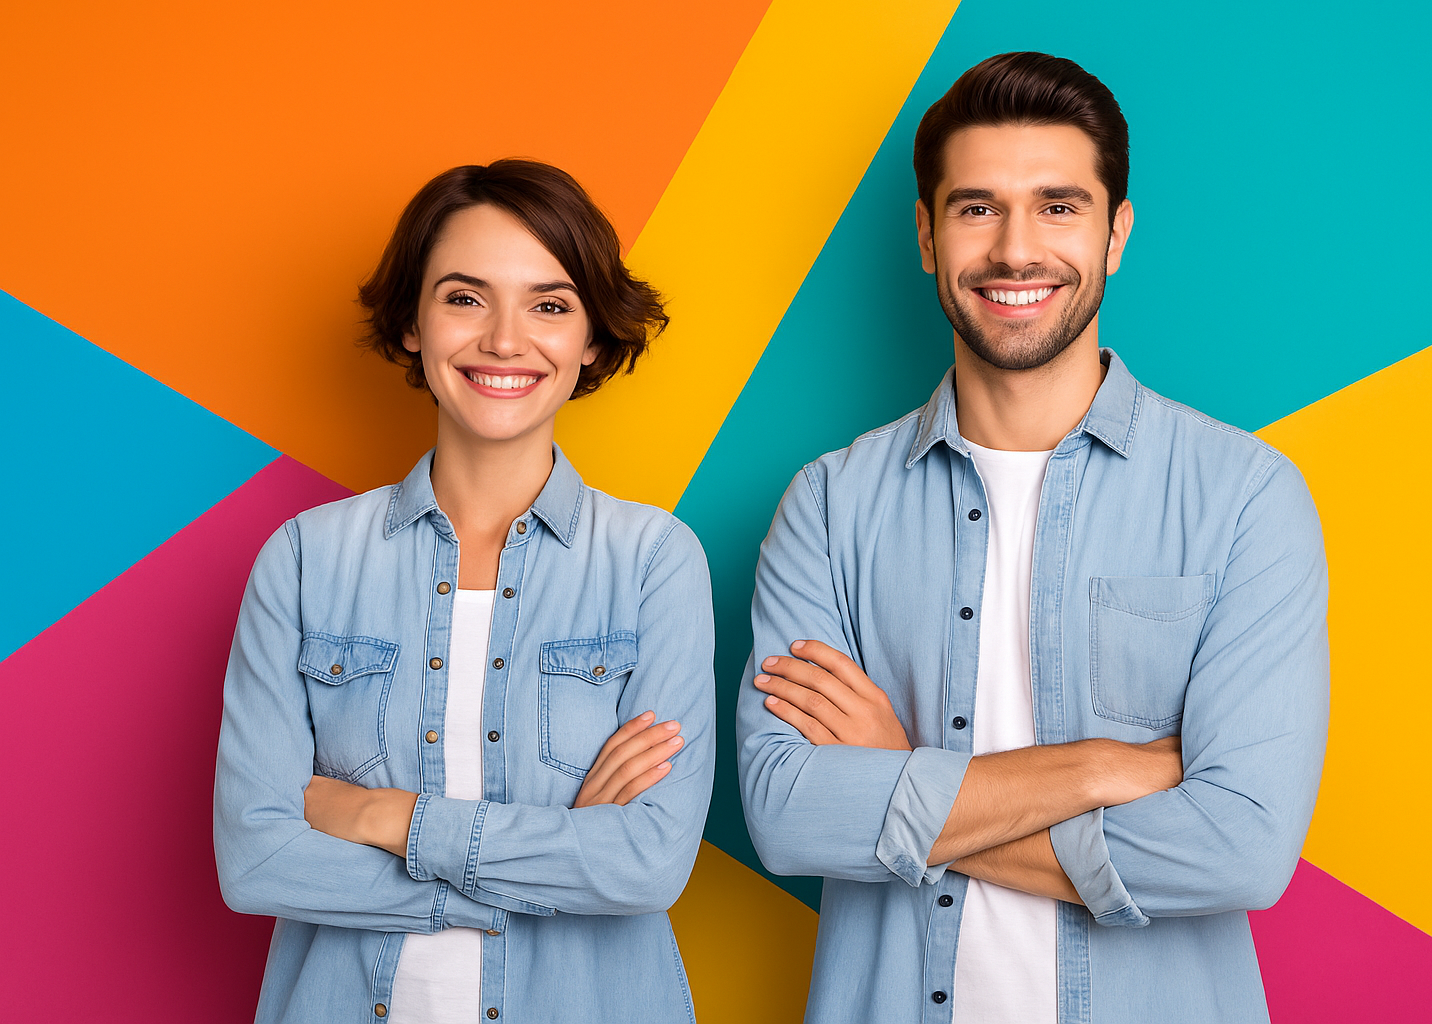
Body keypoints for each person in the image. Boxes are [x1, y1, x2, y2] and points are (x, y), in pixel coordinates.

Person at [737, 52, 1328, 1024]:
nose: (1017, 250)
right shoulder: (830, 504)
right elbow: (791, 812)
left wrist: (903, 780)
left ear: (1116, 234)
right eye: (977, 208)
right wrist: (1101, 767)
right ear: (927, 237)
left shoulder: (1244, 497)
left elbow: (1243, 846)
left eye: (1059, 206)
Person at [214, 160, 715, 1024]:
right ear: (412, 321)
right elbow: (257, 859)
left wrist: (380, 815)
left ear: (592, 338)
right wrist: (547, 861)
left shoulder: (653, 562)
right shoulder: (304, 560)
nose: (505, 340)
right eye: (464, 297)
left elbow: (646, 862)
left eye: (550, 305)